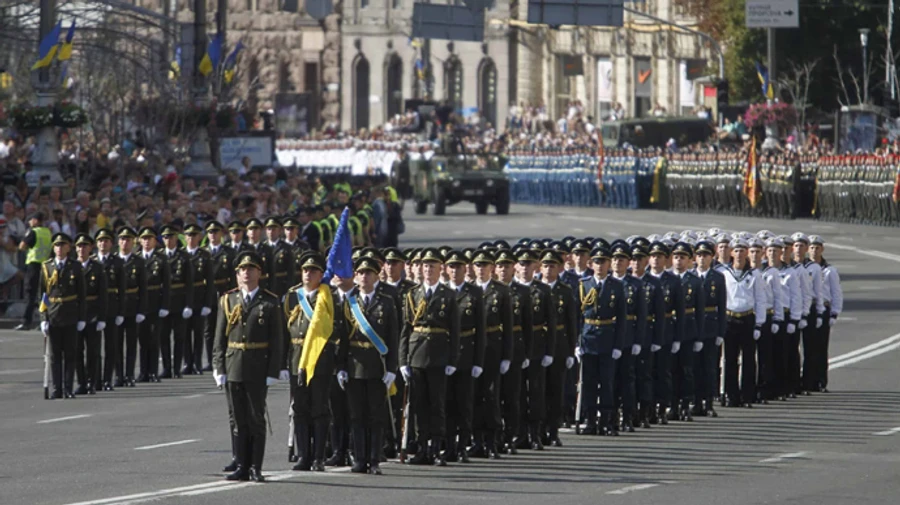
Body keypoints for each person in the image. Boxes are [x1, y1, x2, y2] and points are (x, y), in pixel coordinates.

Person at [213, 251, 285, 483]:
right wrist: (219, 367)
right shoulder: (228, 300)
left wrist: (274, 370)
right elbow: (219, 339)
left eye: (251, 269)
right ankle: (242, 465)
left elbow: (277, 339)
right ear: (237, 274)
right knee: (238, 418)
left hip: (257, 366)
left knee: (256, 418)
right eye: (242, 269)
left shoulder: (269, 301)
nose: (246, 273)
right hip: (234, 364)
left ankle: (256, 467)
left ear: (259, 273)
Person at [285, 251, 346, 472]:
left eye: (313, 271)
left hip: (321, 360)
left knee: (319, 409)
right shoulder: (292, 296)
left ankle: (319, 456)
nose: (308, 274)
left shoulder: (329, 297)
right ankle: (304, 456)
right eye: (305, 270)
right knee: (299, 408)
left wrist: (338, 362)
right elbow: (285, 330)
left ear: (322, 274)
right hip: (298, 359)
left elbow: (339, 330)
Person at [399, 247, 460, 466]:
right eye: (425, 266)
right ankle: (421, 447)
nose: (428, 270)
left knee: (437, 404)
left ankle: (436, 448)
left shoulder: (448, 295)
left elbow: (454, 331)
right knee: (418, 405)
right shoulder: (412, 294)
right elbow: (406, 330)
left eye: (433, 266)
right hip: (416, 354)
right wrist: (403, 360)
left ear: (440, 269)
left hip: (438, 354)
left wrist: (453, 360)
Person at [344, 257, 398, 475]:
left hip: (378, 366)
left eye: (369, 273)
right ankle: (359, 458)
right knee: (356, 416)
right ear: (355, 276)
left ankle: (374, 459)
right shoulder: (349, 302)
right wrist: (340, 367)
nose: (365, 277)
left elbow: (393, 338)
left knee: (376, 416)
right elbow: (341, 337)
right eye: (361, 273)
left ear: (377, 277)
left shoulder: (386, 303)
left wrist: (392, 368)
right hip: (355, 365)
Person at [576, 244, 627, 435]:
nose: (600, 266)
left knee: (607, 382)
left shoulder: (617, 286)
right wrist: (577, 342)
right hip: (588, 338)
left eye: (603, 262)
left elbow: (621, 318)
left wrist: (618, 345)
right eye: (596, 262)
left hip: (607, 338)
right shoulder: (584, 284)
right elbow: (577, 317)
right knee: (588, 382)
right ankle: (590, 421)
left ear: (609, 264)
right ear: (591, 264)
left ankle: (606, 420)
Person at [443, 250, 485, 462]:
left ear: (465, 269)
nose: (454, 270)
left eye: (458, 267)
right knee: (447, 403)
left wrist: (478, 361)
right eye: (451, 267)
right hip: (444, 354)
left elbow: (481, 329)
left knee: (465, 403)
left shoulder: (475, 293)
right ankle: (449, 445)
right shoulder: (442, 292)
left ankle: (462, 446)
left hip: (466, 353)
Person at [39, 233, 86, 399]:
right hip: (53, 314)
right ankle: (57, 388)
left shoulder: (75, 267)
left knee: (70, 353)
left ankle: (68, 388)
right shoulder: (46, 267)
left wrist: (81, 317)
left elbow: (81, 294)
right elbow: (43, 295)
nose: (59, 248)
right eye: (56, 245)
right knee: (55, 355)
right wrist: (43, 319)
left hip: (71, 313)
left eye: (62, 245)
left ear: (68, 248)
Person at [721, 238, 766, 408]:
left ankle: (748, 395)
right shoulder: (725, 274)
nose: (739, 254)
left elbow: (760, 300)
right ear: (731, 253)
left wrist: (759, 324)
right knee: (730, 359)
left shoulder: (755, 275)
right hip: (730, 318)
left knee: (749, 359)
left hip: (747, 318)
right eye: (736, 250)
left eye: (742, 251)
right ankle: (731, 395)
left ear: (747, 253)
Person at [539, 248, 578, 444]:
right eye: (545, 265)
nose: (548, 269)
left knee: (555, 391)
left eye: (552, 266)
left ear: (559, 268)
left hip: (559, 346)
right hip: (538, 344)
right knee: (537, 391)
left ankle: (553, 432)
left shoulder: (565, 291)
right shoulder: (534, 289)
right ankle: (537, 431)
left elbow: (572, 322)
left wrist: (571, 350)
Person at [609, 242, 646, 433]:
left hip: (628, 337)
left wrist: (638, 340)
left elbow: (641, 315)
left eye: (621, 260)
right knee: (610, 379)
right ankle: (612, 414)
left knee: (627, 379)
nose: (617, 263)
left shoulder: (636, 285)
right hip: (608, 335)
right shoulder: (606, 282)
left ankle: (628, 415)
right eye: (614, 259)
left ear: (628, 263)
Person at [692, 240, 727, 417]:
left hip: (710, 326)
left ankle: (708, 402)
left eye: (705, 255)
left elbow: (722, 306)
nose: (702, 259)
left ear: (712, 258)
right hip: (693, 326)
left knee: (710, 366)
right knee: (694, 366)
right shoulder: (690, 277)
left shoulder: (718, 278)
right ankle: (696, 401)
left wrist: (721, 331)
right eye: (699, 255)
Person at [73, 233, 107, 395]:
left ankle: (92, 381)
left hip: (92, 313)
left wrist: (101, 317)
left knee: (93, 351)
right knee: (77, 350)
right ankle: (80, 381)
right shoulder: (72, 267)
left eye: (85, 246)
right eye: (79, 246)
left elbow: (103, 295)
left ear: (90, 248)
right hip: (75, 314)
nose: (82, 249)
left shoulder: (97, 267)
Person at [160, 225, 194, 379]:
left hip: (179, 301)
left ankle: (177, 368)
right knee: (163, 337)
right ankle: (167, 368)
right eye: (165, 237)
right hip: (163, 303)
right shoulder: (159, 256)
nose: (168, 240)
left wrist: (188, 304)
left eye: (171, 237)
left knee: (180, 337)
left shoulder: (184, 257)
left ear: (176, 238)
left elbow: (189, 283)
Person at [809, 235, 842, 393]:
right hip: (809, 308)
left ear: (822, 249)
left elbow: (836, 293)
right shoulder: (804, 268)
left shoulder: (829, 270)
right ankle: (808, 380)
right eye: (812, 248)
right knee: (808, 346)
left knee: (821, 347)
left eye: (817, 248)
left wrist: (835, 313)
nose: (814, 251)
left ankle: (821, 380)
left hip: (825, 308)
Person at [117, 227, 147, 388]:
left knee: (131, 344)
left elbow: (143, 288)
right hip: (116, 308)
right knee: (116, 344)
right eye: (122, 239)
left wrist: (141, 309)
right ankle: (118, 374)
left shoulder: (138, 262)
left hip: (132, 306)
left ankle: (129, 375)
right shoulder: (114, 260)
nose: (125, 242)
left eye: (128, 239)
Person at [16, 212, 51, 331]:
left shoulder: (33, 232)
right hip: (45, 265)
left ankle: (27, 321)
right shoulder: (48, 232)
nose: (30, 222)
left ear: (36, 220)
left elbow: (22, 246)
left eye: (31, 220)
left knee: (30, 293)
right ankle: (45, 320)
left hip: (34, 265)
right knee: (43, 294)